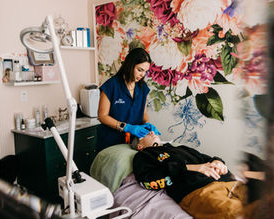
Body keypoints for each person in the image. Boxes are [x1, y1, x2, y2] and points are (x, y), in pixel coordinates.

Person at [131, 132, 265, 219]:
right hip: (198, 190)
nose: (152, 132)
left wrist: (218, 162)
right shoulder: (144, 156)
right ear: (140, 146)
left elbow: (207, 158)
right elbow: (149, 182)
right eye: (145, 133)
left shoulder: (180, 148)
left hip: (228, 181)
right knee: (236, 214)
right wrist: (194, 168)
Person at [96, 47, 161, 152]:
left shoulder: (142, 88)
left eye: (145, 71)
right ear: (129, 65)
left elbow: (143, 113)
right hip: (111, 142)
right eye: (139, 70)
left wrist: (147, 123)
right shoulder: (111, 85)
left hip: (132, 144)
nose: (142, 75)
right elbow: (102, 116)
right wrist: (126, 127)